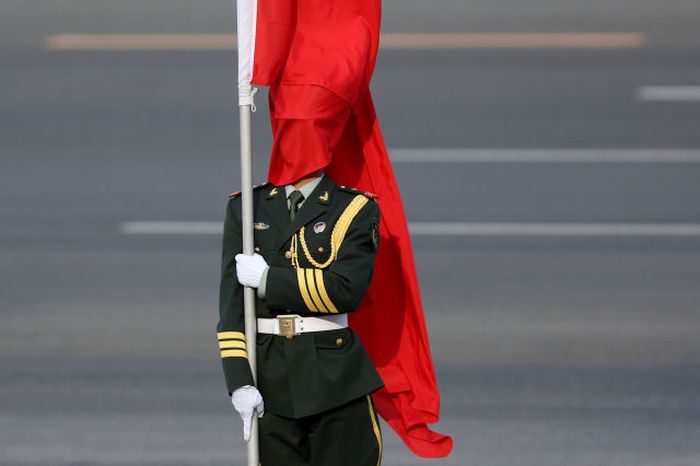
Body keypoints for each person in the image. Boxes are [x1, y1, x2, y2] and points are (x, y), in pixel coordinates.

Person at [216, 169, 384, 466]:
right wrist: (239, 380)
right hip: (270, 380)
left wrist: (269, 279)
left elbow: (346, 290)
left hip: (335, 380)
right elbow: (232, 308)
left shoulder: (353, 207)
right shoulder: (246, 205)